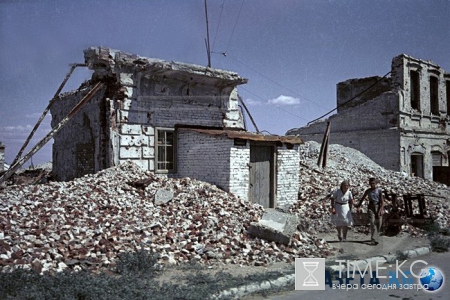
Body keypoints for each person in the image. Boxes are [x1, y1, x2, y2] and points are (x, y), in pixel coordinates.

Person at [355, 177, 385, 245]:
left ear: (376, 183)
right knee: (372, 222)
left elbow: (382, 202)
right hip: (371, 207)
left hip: (378, 206)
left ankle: (376, 237)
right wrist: (358, 206)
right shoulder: (368, 191)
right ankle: (374, 239)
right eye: (371, 183)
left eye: (373, 183)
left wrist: (380, 210)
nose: (372, 185)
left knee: (379, 223)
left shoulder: (379, 191)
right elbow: (362, 198)